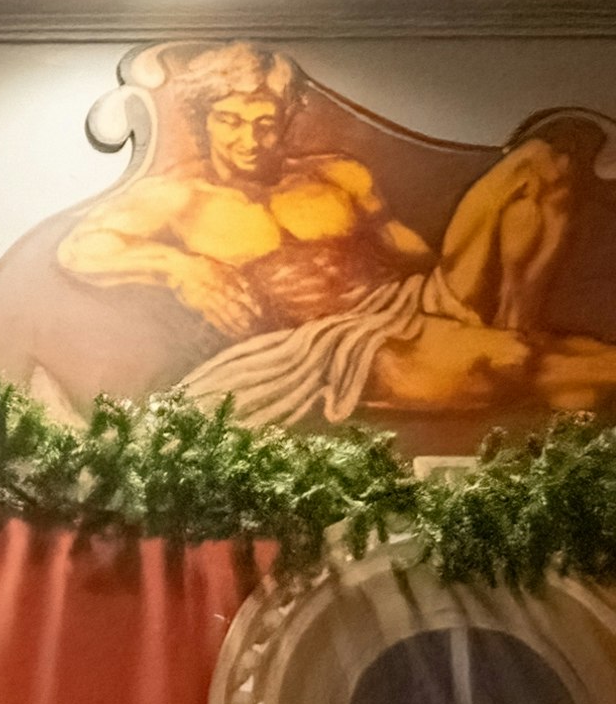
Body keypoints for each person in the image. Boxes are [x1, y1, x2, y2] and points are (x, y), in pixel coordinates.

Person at [56, 42, 616, 424]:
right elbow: (80, 248)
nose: (248, 139)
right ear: (204, 119)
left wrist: (474, 252)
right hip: (334, 343)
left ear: (285, 120)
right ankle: (513, 355)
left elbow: (408, 253)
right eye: (229, 120)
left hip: (406, 301)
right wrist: (182, 267)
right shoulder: (176, 196)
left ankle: (516, 334)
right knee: (571, 365)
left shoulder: (336, 173)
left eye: (264, 122)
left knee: (540, 166)